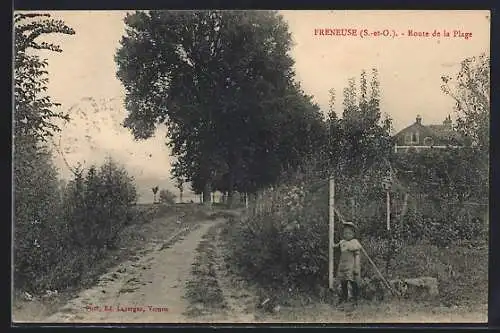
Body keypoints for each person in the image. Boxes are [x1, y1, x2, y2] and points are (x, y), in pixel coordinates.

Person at [333, 221, 362, 306]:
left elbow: (357, 256)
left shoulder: (354, 243)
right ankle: (344, 298)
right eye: (345, 233)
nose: (347, 235)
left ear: (353, 234)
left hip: (351, 266)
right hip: (343, 266)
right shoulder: (342, 242)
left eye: (349, 233)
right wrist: (332, 245)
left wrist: (356, 267)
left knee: (353, 282)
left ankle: (355, 299)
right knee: (343, 282)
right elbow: (335, 246)